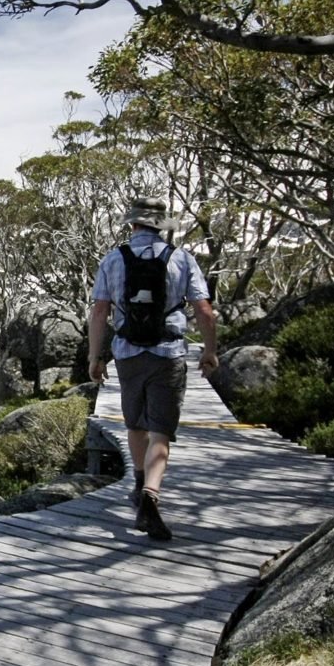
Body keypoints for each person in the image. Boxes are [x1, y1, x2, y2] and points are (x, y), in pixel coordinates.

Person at [87, 195, 219, 541]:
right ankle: (150, 495)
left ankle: (140, 482)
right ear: (161, 226)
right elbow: (204, 309)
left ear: (132, 224)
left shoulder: (114, 259)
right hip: (170, 352)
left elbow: (100, 311)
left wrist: (95, 356)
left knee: (136, 424)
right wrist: (209, 351)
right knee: (161, 430)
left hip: (128, 354)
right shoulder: (181, 259)